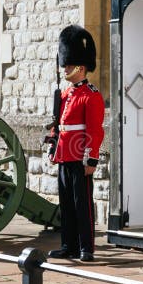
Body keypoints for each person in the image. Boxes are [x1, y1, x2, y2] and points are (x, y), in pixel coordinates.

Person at [47, 24, 105, 262]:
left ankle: (86, 247)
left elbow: (94, 130)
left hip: (79, 155)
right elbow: (56, 124)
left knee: (83, 206)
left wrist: (91, 158)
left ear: (80, 67)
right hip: (64, 154)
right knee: (67, 204)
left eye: (69, 65)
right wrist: (52, 145)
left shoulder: (91, 95)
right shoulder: (64, 95)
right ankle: (67, 245)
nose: (65, 69)